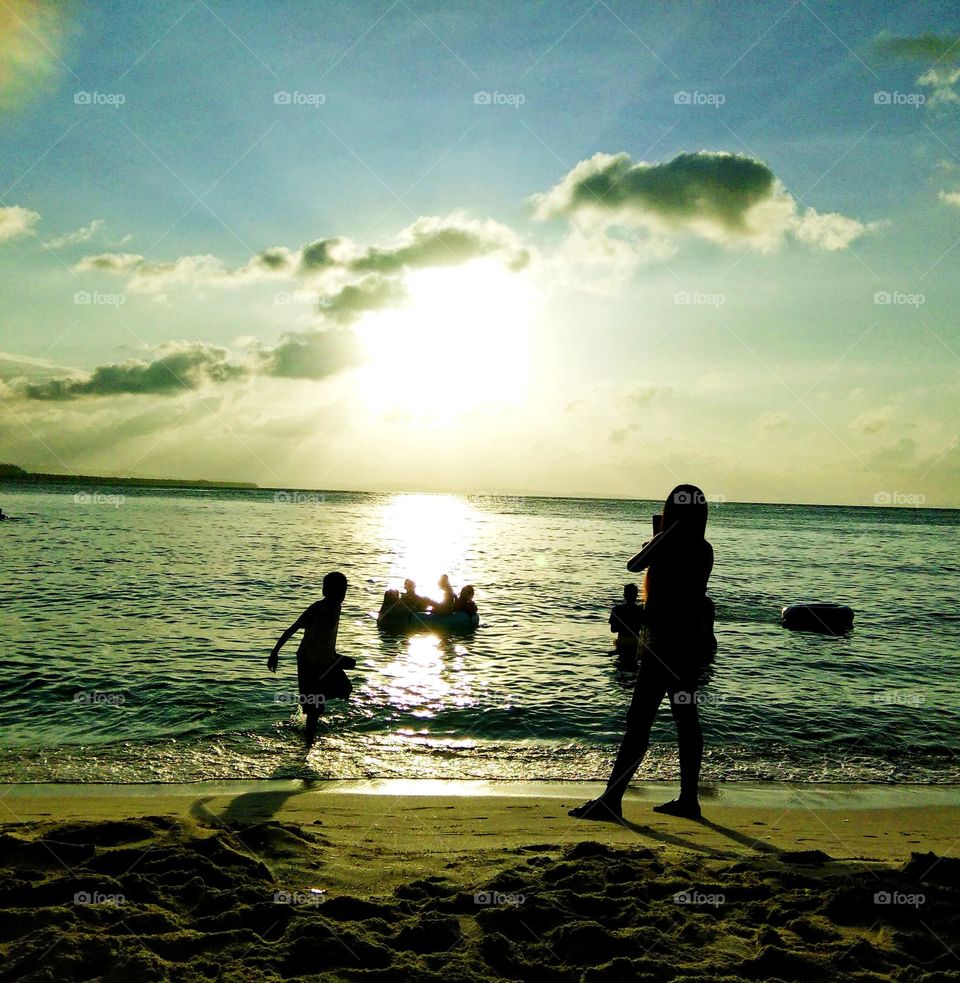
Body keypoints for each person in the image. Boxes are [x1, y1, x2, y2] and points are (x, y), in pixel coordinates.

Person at [570, 484, 717, 823]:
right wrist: (659, 542)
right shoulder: (702, 548)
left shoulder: (672, 547)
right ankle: (688, 800)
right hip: (684, 649)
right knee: (685, 721)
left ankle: (613, 799)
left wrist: (658, 540)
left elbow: (633, 566)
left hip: (664, 648)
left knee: (639, 723)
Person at [267, 571, 355, 749]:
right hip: (308, 661)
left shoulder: (337, 607)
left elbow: (325, 636)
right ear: (325, 591)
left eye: (343, 592)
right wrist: (275, 652)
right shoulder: (316, 609)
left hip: (327, 659)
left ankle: (311, 701)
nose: (340, 596)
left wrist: (335, 656)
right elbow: (292, 629)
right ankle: (308, 747)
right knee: (314, 711)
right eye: (336, 592)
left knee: (345, 689)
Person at [609, 583, 644, 667]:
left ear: (624, 595)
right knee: (634, 666)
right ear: (636, 596)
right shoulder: (641, 610)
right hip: (635, 642)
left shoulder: (616, 609)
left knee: (620, 666)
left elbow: (613, 629)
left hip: (622, 641)